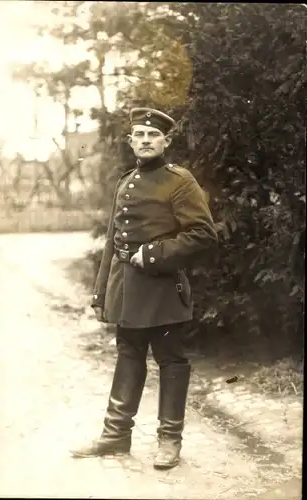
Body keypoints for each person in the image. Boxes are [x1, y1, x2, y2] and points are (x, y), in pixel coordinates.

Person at [71, 108, 218, 469]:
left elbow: (203, 234)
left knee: (170, 359)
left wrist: (151, 255)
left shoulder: (179, 181)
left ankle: (170, 440)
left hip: (164, 287)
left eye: (153, 135)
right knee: (128, 354)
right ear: (131, 141)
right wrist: (101, 290)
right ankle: (116, 435)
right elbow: (112, 241)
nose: (146, 140)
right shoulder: (126, 180)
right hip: (127, 289)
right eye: (139, 134)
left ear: (166, 141)